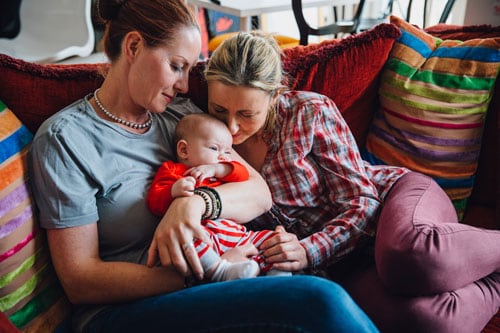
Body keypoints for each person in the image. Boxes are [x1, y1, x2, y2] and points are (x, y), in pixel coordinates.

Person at [28, 1, 379, 332]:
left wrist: (193, 204)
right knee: (319, 299)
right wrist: (213, 268)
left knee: (318, 286)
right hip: (126, 308)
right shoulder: (66, 139)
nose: (184, 84)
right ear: (133, 47)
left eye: (190, 70)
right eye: (177, 66)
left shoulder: (180, 115)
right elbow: (80, 281)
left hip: (215, 280)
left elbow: (258, 193)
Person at [185, 30, 499, 332]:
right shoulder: (206, 136)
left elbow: (363, 202)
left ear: (274, 94)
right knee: (425, 321)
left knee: (408, 256)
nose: (232, 126)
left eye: (247, 113)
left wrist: (308, 250)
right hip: (343, 263)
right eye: (220, 109)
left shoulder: (308, 113)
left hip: (388, 201)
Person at [146, 113, 290, 281]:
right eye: (214, 148)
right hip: (203, 234)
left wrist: (217, 169)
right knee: (184, 242)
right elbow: (154, 201)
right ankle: (220, 271)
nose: (223, 156)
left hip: (237, 234)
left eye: (227, 151)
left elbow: (242, 174)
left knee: (272, 239)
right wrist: (173, 190)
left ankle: (276, 272)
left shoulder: (222, 171)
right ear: (184, 150)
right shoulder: (173, 171)